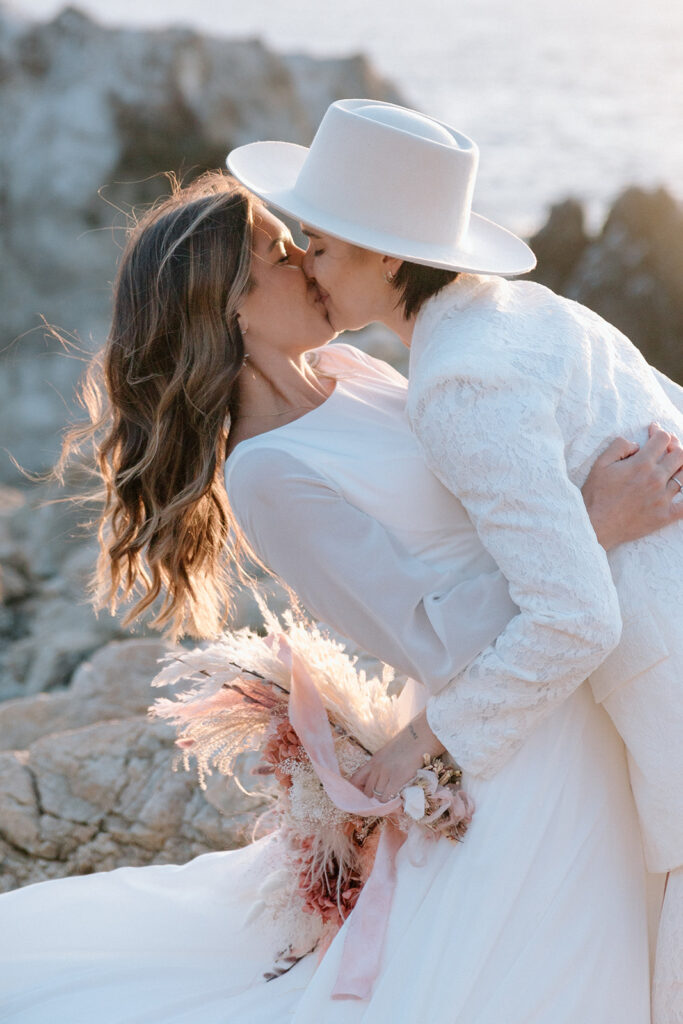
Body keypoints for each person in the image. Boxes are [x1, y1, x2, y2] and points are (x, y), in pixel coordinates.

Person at [0, 171, 679, 1023]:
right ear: (234, 306)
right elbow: (429, 639)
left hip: (562, 670)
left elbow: (499, 489)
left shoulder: (351, 369)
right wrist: (590, 527)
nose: (314, 264)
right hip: (520, 738)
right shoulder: (270, 473)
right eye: (284, 254)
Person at [227, 98, 683, 1019]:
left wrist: (423, 741)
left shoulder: (450, 379)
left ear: (387, 254)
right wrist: (586, 521)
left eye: (315, 240)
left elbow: (570, 611)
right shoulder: (521, 312)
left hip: (635, 681)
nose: (306, 260)